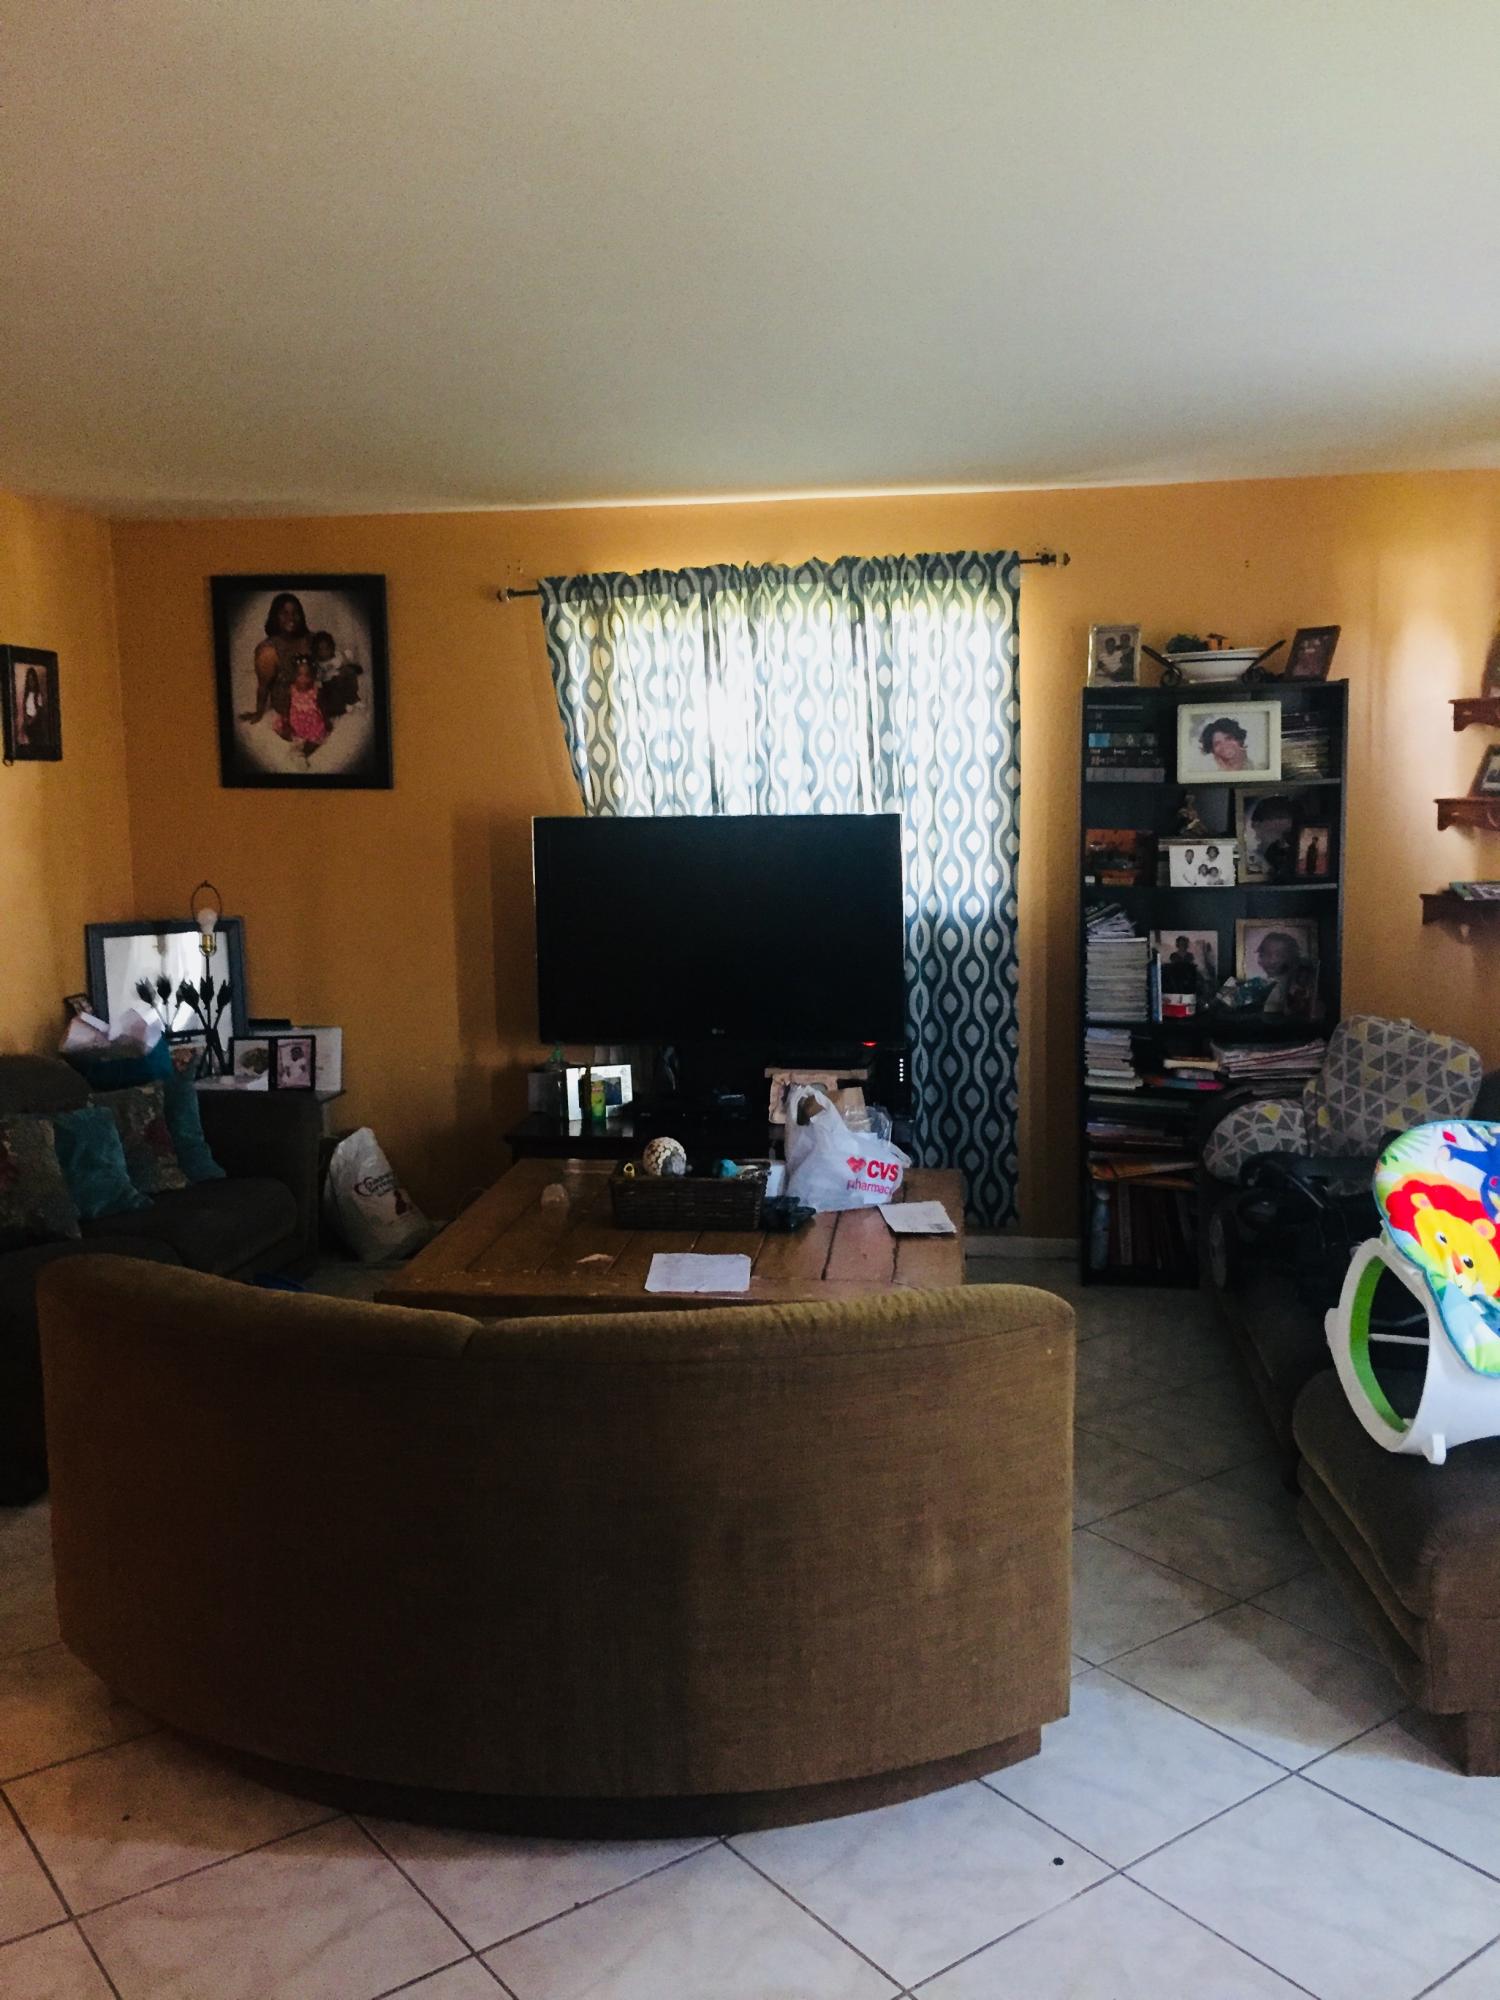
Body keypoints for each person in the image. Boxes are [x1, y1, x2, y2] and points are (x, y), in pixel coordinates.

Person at [240, 592, 313, 733]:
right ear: (275, 616)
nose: (291, 618)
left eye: (295, 613)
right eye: (284, 613)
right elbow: (263, 686)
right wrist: (259, 712)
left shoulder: (311, 639)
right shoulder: (268, 650)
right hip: (288, 707)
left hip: (313, 699)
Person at [286, 660, 329, 757]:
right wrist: (286, 719)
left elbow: (322, 706)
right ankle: (298, 744)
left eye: (307, 675)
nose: (303, 679)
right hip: (296, 723)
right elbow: (287, 705)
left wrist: (326, 720)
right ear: (294, 676)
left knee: (316, 738)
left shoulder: (315, 691)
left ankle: (306, 751)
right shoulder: (292, 689)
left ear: (312, 677)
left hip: (312, 724)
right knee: (285, 730)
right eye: (299, 675)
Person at [16, 664, 43, 747]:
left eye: (32, 680)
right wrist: (26, 718)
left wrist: (32, 720)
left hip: (35, 721)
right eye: (29, 680)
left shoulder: (38, 695)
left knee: (35, 739)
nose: (31, 683)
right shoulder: (26, 695)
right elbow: (25, 708)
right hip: (28, 719)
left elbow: (39, 710)